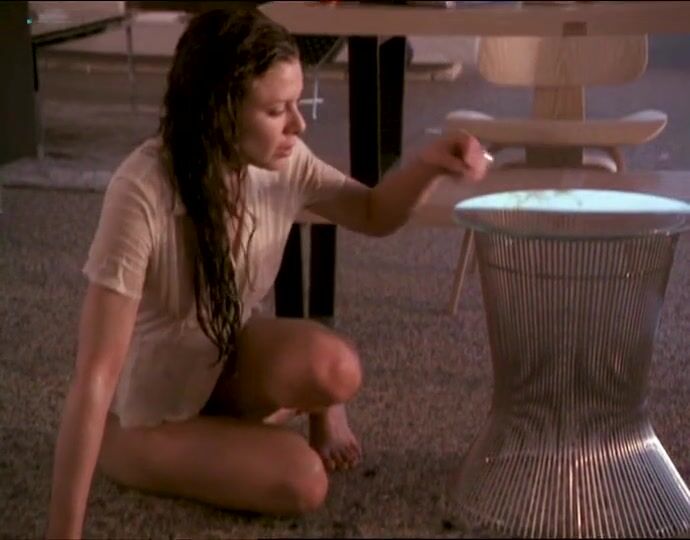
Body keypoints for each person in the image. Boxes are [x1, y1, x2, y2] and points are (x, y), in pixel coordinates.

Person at [45, 7, 490, 538]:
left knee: (336, 368)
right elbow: (96, 374)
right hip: (148, 410)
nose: (298, 124)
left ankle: (265, 421)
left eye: (296, 103)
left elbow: (373, 214)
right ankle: (148, 447)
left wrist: (430, 163)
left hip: (222, 355)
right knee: (303, 482)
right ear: (219, 110)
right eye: (277, 109)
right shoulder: (141, 191)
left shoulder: (283, 160)